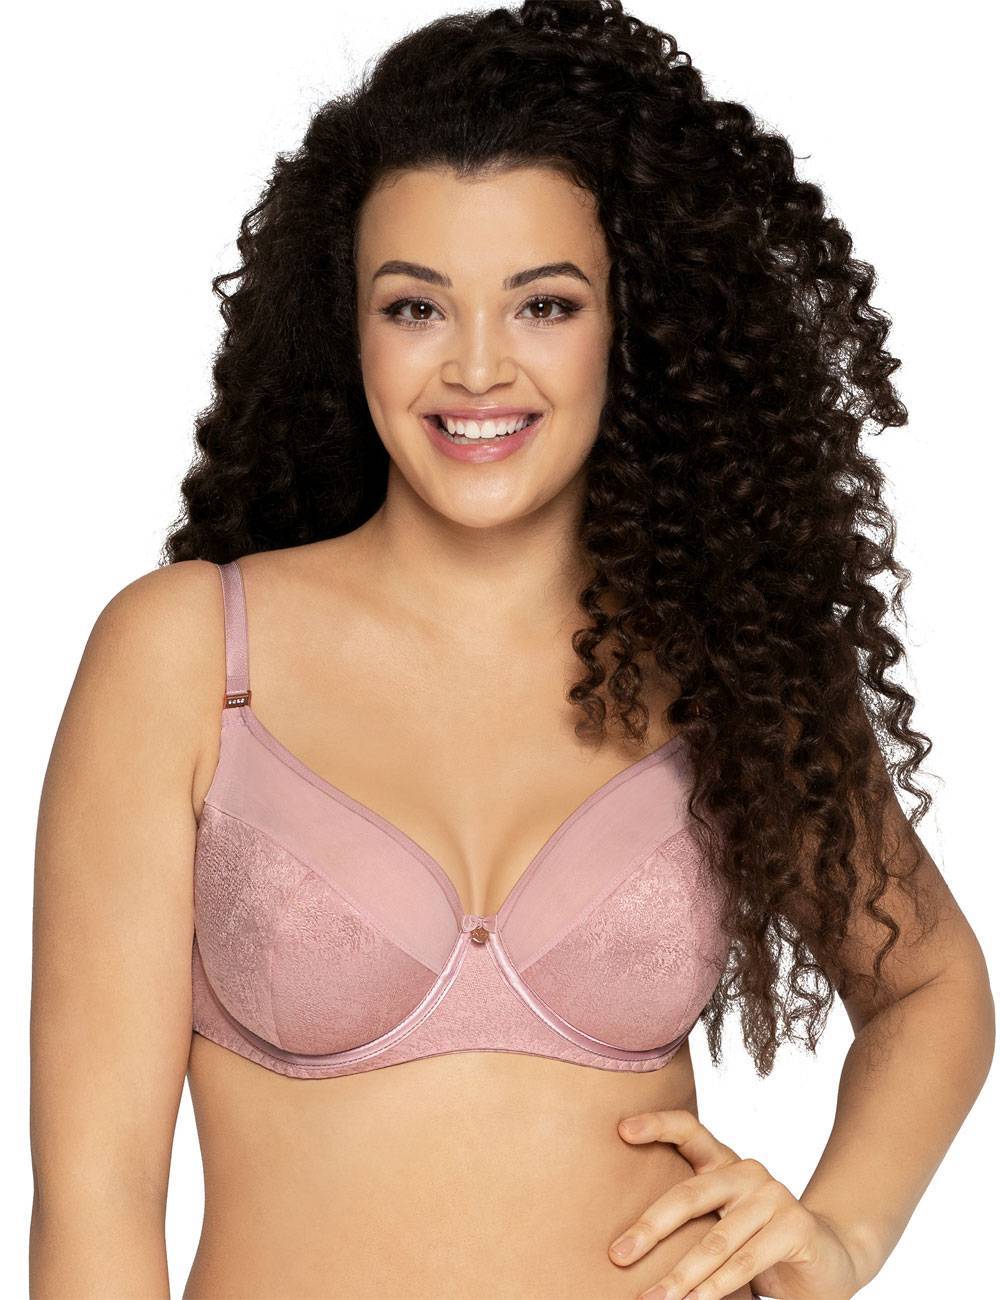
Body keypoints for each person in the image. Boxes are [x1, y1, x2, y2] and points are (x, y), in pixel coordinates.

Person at [28, 3, 994, 1298]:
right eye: (416, 306)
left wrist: (842, 1234)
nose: (477, 369)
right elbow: (95, 1196)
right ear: (346, 325)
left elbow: (930, 981)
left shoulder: (718, 657)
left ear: (631, 325)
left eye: (543, 303)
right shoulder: (190, 655)